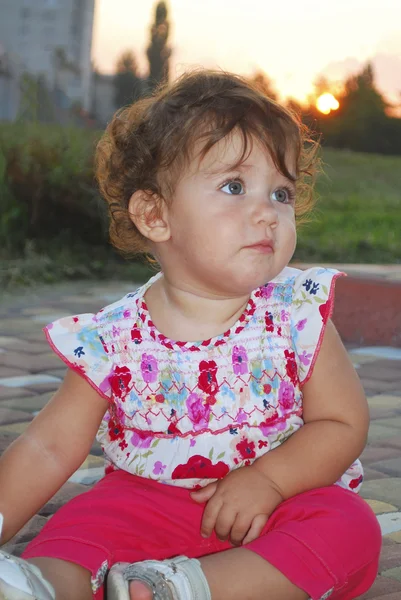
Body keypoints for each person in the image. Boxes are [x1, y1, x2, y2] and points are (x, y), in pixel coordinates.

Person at [0, 70, 381, 600]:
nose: (267, 213)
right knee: (76, 533)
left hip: (273, 507)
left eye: (281, 192)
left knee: (348, 526)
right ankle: (43, 588)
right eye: (234, 186)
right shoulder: (114, 338)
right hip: (142, 505)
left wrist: (270, 480)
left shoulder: (297, 312)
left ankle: (186, 588)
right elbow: (47, 447)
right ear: (154, 214)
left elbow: (342, 422)